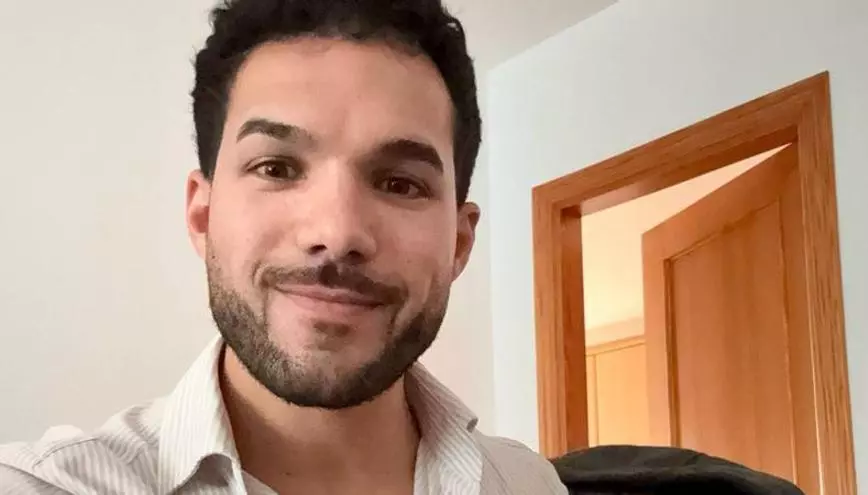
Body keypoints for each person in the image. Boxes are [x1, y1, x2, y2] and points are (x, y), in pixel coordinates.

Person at [0, 0, 567, 493]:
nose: (338, 232)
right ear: (202, 214)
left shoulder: (528, 483)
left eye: (400, 184)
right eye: (276, 167)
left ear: (460, 243)